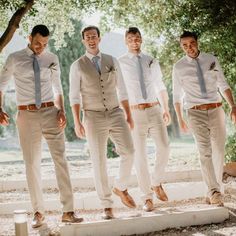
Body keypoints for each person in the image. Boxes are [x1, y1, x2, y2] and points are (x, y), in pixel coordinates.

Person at [0, 25, 83, 228]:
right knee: (32, 164)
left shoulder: (51, 58)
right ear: (29, 38)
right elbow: (0, 85)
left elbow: (57, 87)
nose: (41, 47)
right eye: (38, 43)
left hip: (50, 112)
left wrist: (61, 110)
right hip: (26, 115)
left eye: (45, 44)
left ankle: (68, 211)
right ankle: (38, 212)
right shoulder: (14, 58)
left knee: (60, 160)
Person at [69, 25, 136, 219]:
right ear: (83, 41)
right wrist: (77, 121)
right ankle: (106, 205)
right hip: (92, 115)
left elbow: (122, 89)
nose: (91, 39)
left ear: (99, 39)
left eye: (94, 36)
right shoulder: (77, 65)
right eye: (87, 37)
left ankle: (120, 187)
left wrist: (128, 114)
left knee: (129, 152)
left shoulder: (112, 60)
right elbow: (74, 96)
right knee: (98, 161)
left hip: (116, 112)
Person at [172, 30, 236, 206]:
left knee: (219, 150)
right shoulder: (179, 67)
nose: (189, 48)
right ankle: (214, 191)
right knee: (204, 151)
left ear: (197, 42)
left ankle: (214, 190)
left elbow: (223, 84)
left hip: (216, 109)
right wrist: (179, 118)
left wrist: (232, 106)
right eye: (184, 45)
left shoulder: (211, 59)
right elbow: (176, 95)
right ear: (181, 46)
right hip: (194, 112)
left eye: (191, 43)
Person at [118, 27, 171, 212]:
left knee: (164, 146)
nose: (135, 41)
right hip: (134, 113)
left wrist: (166, 108)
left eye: (138, 38)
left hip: (154, 108)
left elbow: (160, 85)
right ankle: (147, 198)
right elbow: (120, 90)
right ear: (126, 41)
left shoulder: (151, 60)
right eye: (131, 38)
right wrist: (125, 113)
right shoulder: (120, 62)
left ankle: (156, 182)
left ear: (141, 39)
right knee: (140, 156)